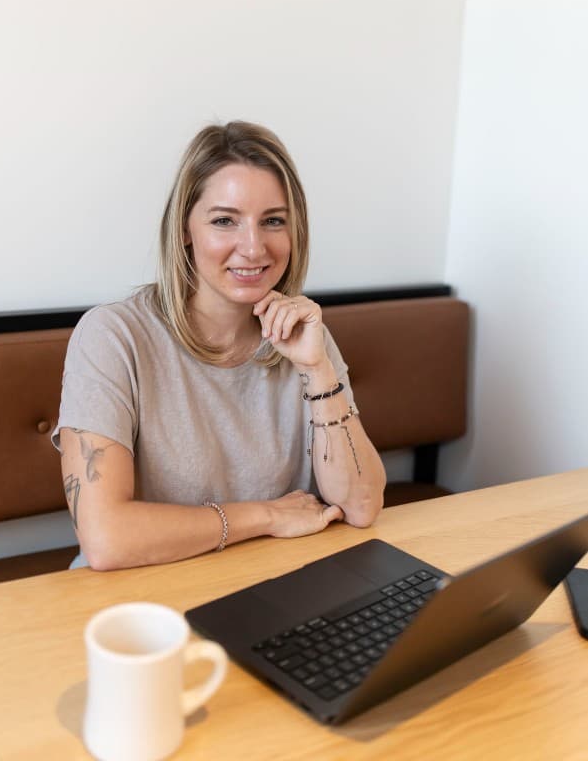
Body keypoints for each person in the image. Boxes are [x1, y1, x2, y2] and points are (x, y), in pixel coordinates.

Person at [52, 121, 386, 569]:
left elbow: (362, 506)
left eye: (272, 221)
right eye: (225, 221)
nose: (253, 247)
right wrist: (267, 516)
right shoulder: (113, 337)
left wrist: (318, 368)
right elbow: (106, 540)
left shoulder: (307, 335)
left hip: (274, 585)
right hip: (145, 598)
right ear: (185, 230)